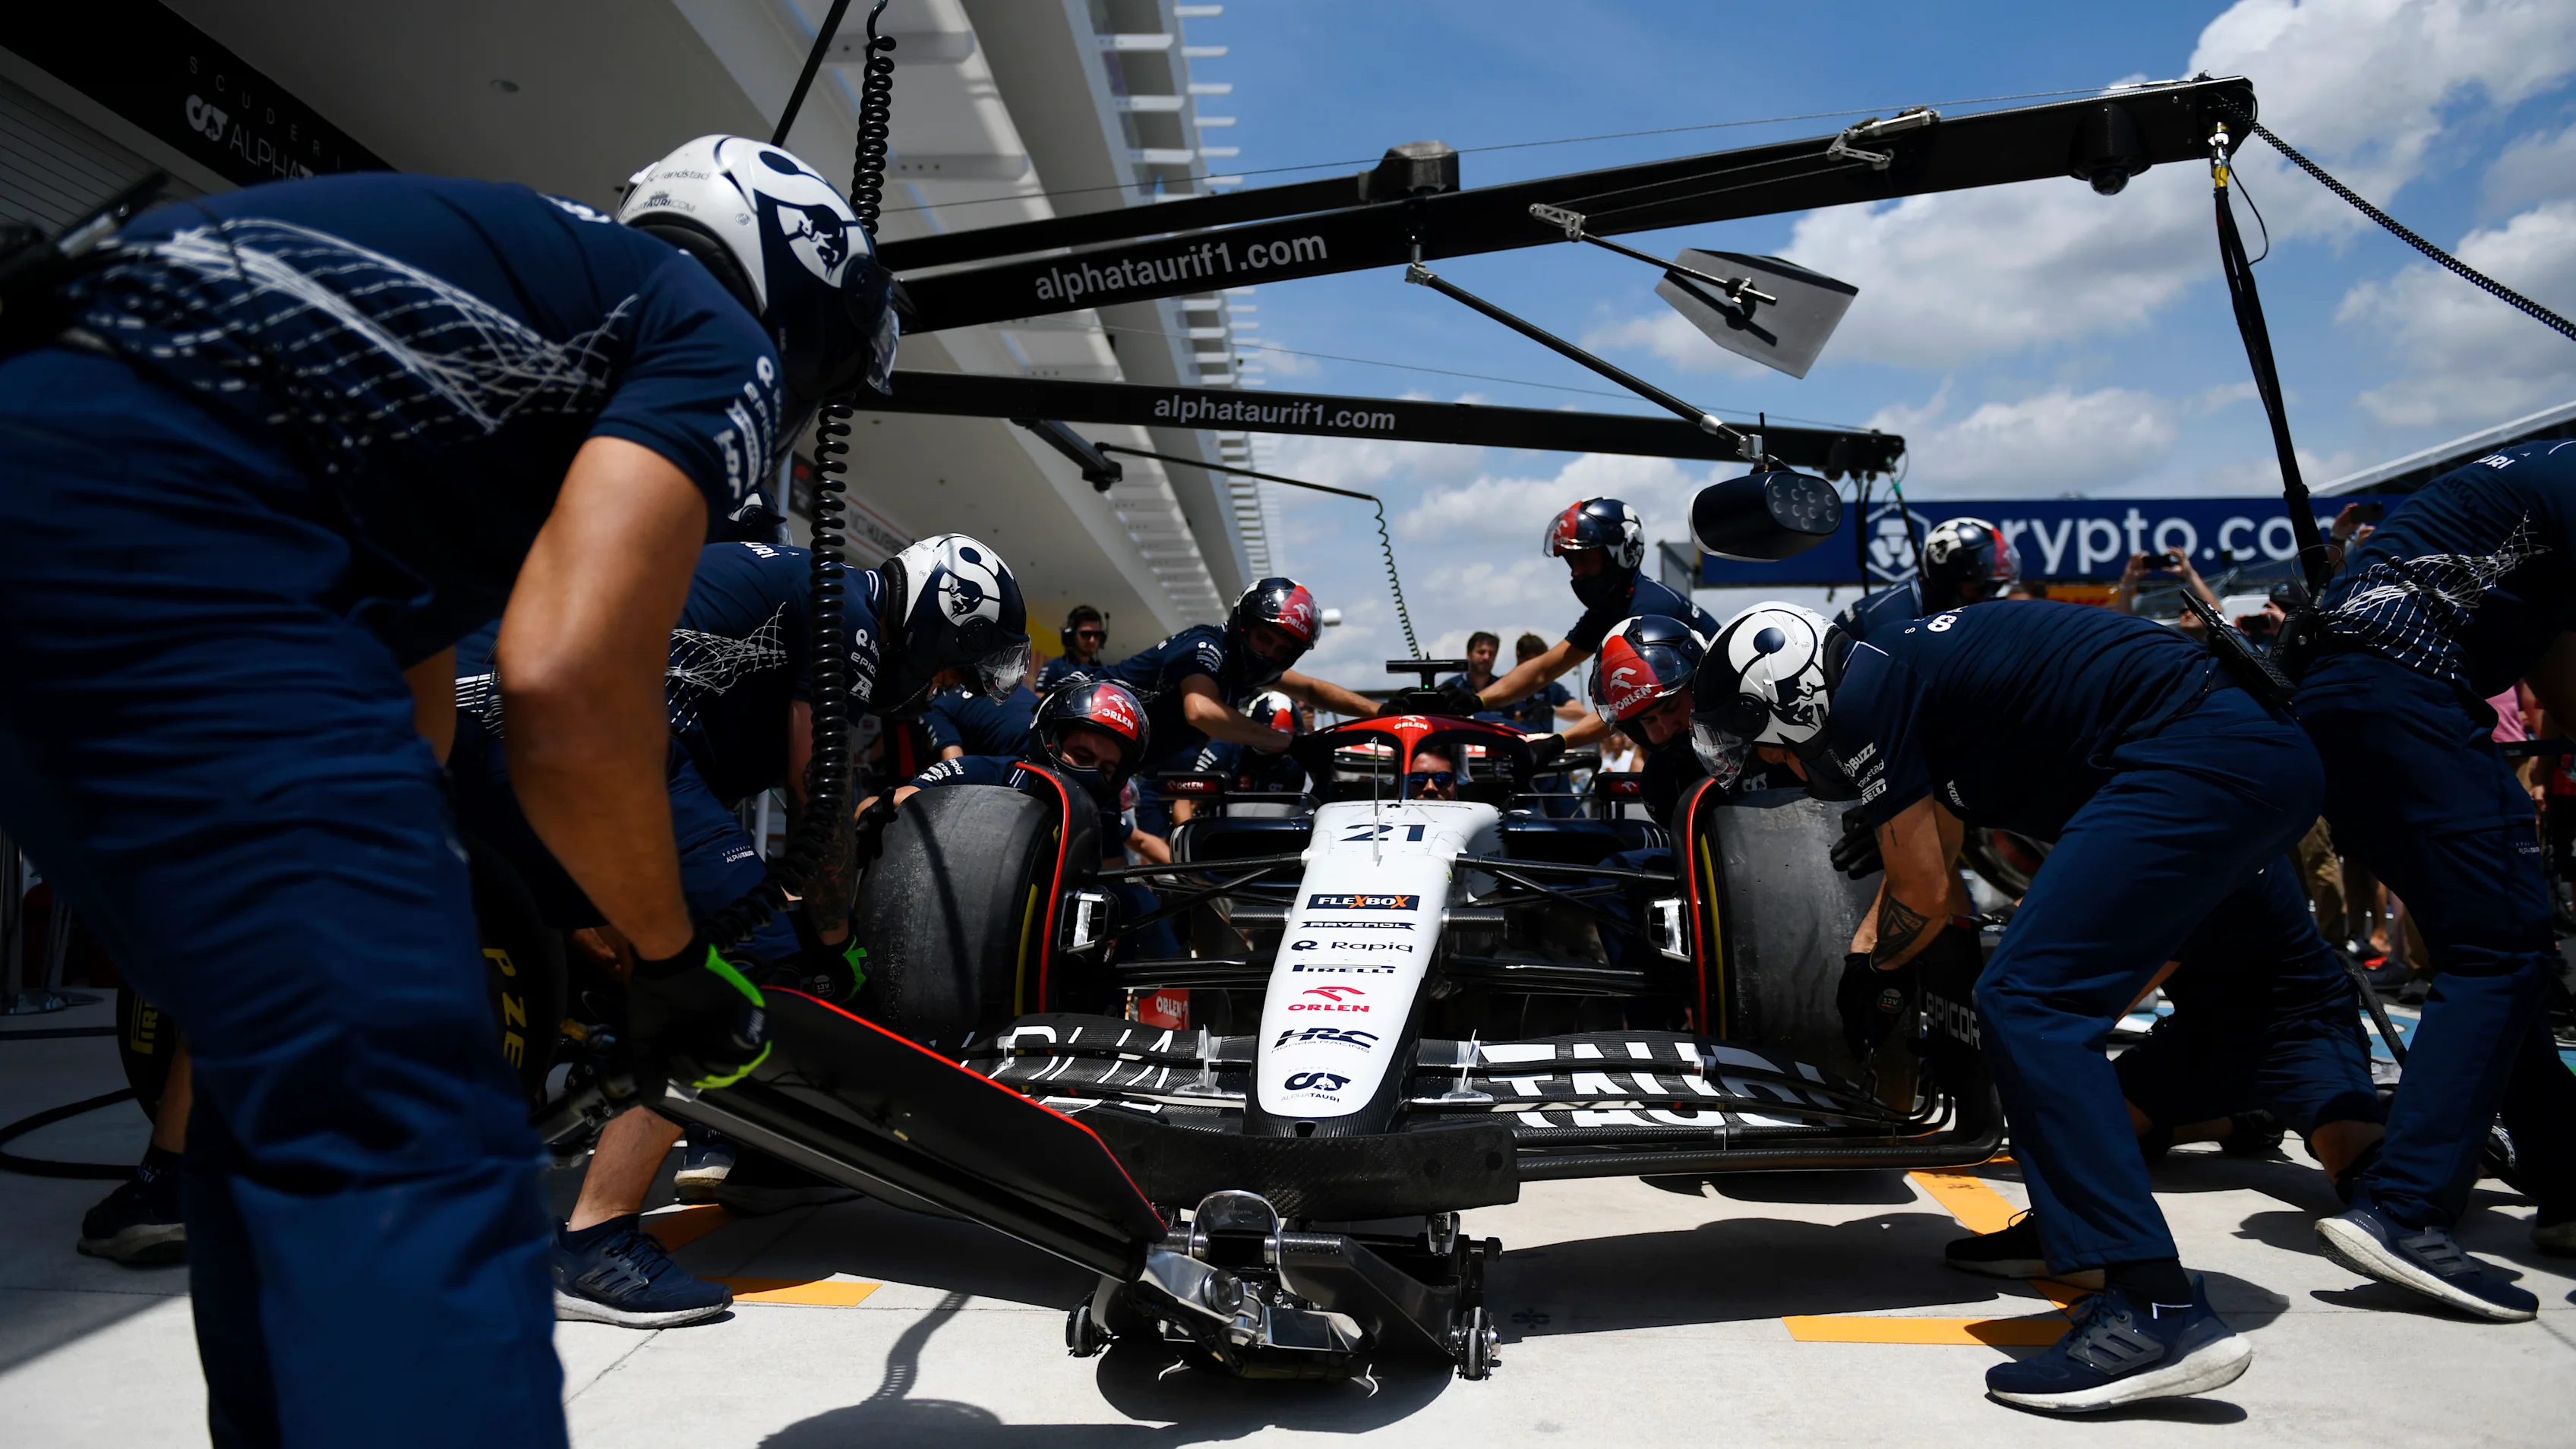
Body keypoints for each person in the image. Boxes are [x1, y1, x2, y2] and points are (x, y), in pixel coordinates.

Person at [0, 134, 901, 1445]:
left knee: (285, 1091)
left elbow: (413, 687)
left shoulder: (510, 331)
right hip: (166, 513)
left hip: (56, 483)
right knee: (418, 1132)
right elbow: (571, 682)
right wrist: (665, 959)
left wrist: (417, 913)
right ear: (807, 294)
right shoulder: (707, 327)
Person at [1707, 598, 2320, 1411]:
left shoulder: (1860, 697)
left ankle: (2154, 1310)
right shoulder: (1893, 672)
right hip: (2233, 758)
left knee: (2026, 1002)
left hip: (2204, 758)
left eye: (1766, 750)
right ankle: (2079, 1233)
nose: (1780, 769)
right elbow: (1944, 846)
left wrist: (1868, 974)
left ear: (1785, 702)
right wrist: (1874, 951)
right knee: (2040, 1009)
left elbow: (1923, 891)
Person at [450, 533, 1028, 1323]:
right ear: (939, 621)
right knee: (744, 969)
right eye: (953, 666)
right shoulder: (847, 609)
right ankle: (595, 1244)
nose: (941, 689)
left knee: (660, 955)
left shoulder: (803, 587)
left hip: (485, 716)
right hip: (571, 721)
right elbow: (818, 792)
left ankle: (769, 1154)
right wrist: (833, 946)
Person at [2298, 439, 2576, 1315]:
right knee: (2503, 947)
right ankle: (2403, 1207)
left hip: (2343, 707)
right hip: (2406, 697)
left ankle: (2566, 1181)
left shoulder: (2530, 501)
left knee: (2489, 951)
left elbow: (2561, 679)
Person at [1943, 855, 2387, 1286]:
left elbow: (2095, 1006)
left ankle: (2384, 1124)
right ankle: (2239, 1120)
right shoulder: (2150, 825)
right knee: (2067, 1131)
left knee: (2371, 1181)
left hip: (2299, 1027)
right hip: (2204, 1032)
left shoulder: (2206, 843)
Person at [900, 679, 1175, 958]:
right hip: (956, 934)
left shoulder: (1102, 812)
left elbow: (1118, 867)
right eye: (1082, 755)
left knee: (1137, 903)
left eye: (1106, 768)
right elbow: (889, 804)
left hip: (1047, 958)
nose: (1093, 774)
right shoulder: (993, 775)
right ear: (1051, 743)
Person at [1103, 578, 1381, 844]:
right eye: (1264, 638)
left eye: (1282, 649)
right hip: (1078, 731)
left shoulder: (1242, 672)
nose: (1269, 653)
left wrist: (1380, 710)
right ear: (1243, 625)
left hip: (1110, 767)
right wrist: (1291, 743)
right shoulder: (1206, 646)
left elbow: (1310, 690)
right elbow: (1200, 710)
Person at [1477, 498, 1720, 747]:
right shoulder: (1611, 608)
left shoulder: (1649, 611)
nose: (1575, 573)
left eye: (1584, 559)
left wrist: (1559, 741)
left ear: (1620, 554)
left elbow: (1630, 702)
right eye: (1571, 563)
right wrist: (1476, 702)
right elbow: (1543, 670)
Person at [1834, 516, 2021, 642]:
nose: (1983, 600)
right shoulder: (1890, 621)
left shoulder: (1935, 606)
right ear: (1950, 576)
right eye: (1982, 588)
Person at [926, 673, 1039, 760]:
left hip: (1027, 754)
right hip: (1049, 731)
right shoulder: (995, 676)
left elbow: (953, 764)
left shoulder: (937, 707)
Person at [1038, 605, 1109, 690]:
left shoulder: (1102, 671)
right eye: (1086, 635)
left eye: (1097, 635)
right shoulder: (1055, 666)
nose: (1092, 640)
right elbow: (1039, 697)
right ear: (1071, 635)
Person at [1441, 631, 1503, 697]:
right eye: (1481, 652)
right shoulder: (1451, 688)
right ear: (1469, 654)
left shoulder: (1503, 688)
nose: (1487, 657)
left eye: (1491, 654)